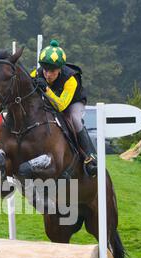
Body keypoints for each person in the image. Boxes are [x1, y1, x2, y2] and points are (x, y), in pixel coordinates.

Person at [31, 39, 97, 177]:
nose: (48, 74)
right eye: (45, 70)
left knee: (74, 119)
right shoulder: (36, 73)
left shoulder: (70, 79)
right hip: (50, 103)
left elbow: (61, 106)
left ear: (60, 69)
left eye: (52, 71)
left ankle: (90, 156)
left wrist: (47, 90)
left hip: (72, 103)